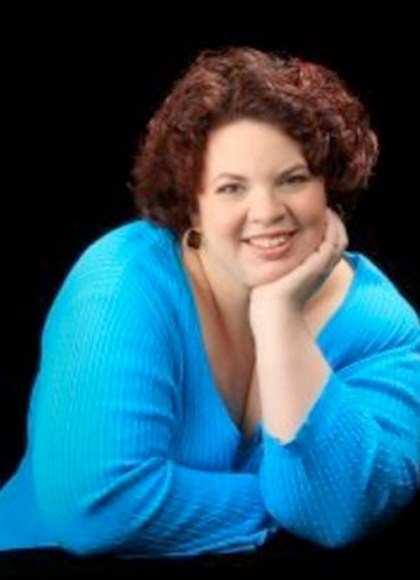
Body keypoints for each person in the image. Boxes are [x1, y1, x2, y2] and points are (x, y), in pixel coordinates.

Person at [0, 45, 419, 560]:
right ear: (191, 205)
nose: (266, 211)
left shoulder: (381, 325)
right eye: (231, 188)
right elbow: (98, 506)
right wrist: (281, 507)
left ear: (328, 187)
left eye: (292, 179)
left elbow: (341, 513)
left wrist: (280, 320)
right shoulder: (122, 281)